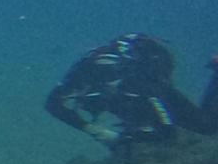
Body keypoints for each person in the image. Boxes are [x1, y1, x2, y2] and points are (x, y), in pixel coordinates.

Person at [44, 33, 218, 151]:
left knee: (206, 126)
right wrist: (97, 132)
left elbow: (167, 130)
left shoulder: (135, 85)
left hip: (150, 83)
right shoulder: (78, 76)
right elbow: (52, 104)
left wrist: (136, 135)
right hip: (137, 84)